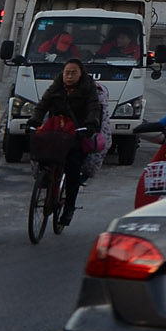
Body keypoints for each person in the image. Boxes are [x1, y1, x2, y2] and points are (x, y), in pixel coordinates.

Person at [31, 58, 104, 227]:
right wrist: (34, 120)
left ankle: (69, 206)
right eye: (67, 73)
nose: (69, 76)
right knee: (42, 155)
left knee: (73, 169)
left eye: (73, 73)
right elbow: (42, 105)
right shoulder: (56, 88)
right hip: (56, 132)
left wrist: (90, 124)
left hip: (76, 134)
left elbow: (94, 108)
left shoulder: (88, 89)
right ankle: (46, 181)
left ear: (81, 74)